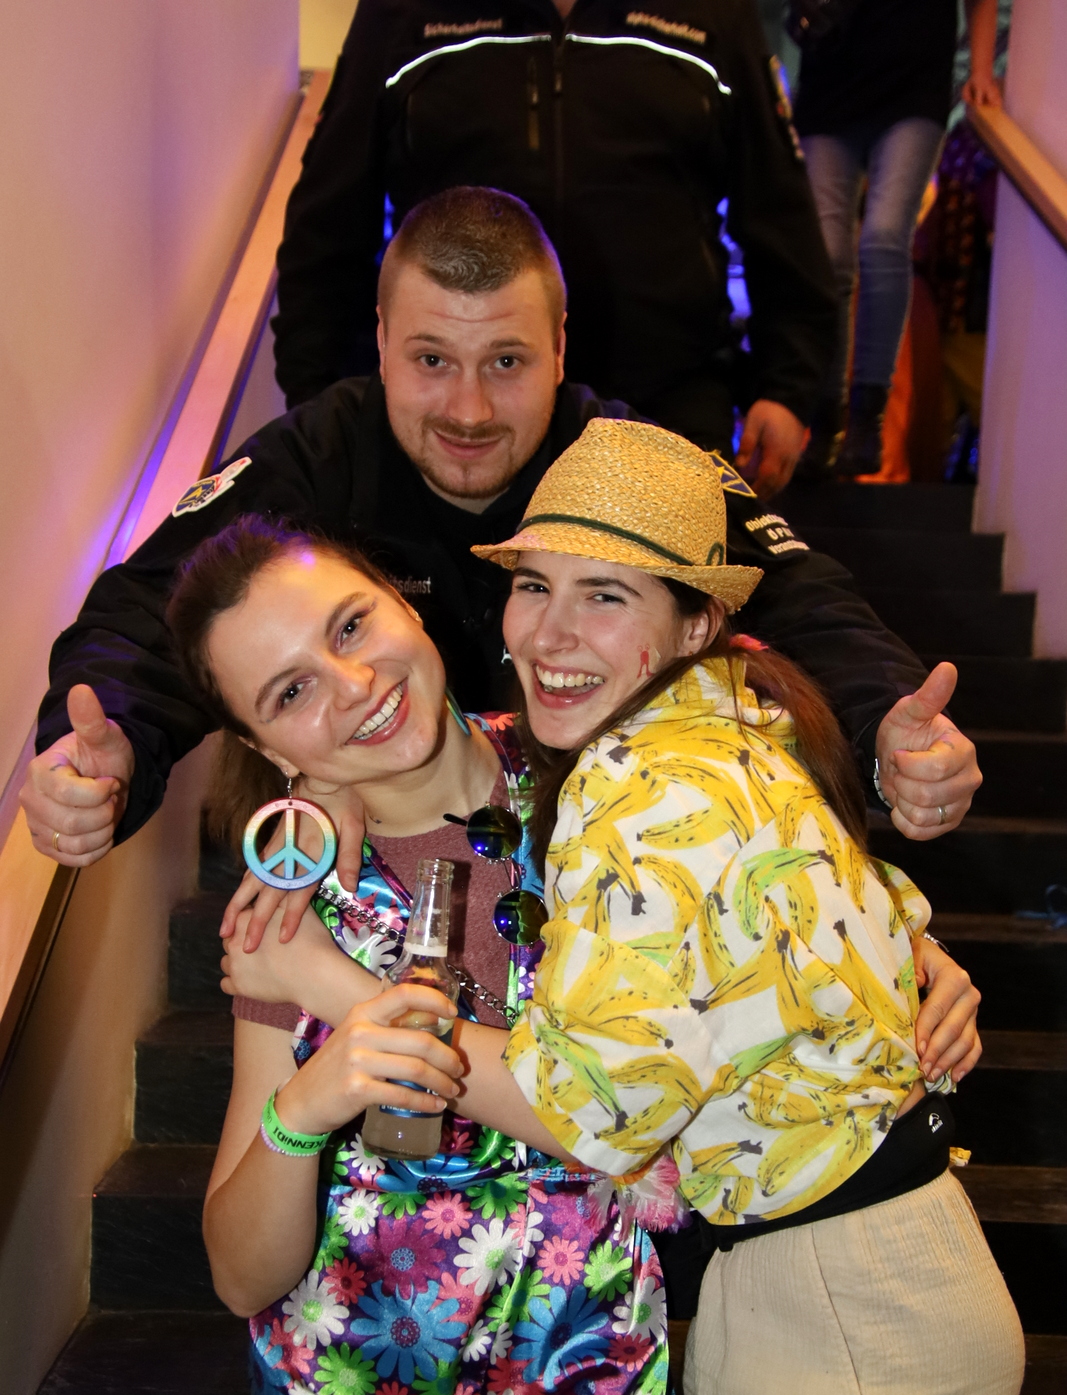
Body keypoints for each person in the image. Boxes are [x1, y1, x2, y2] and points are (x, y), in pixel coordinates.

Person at [22, 188, 981, 911]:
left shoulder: (631, 461)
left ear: (560, 346)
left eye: (507, 362)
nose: (470, 409)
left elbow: (798, 596)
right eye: (432, 360)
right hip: (384, 864)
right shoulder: (311, 457)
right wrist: (104, 753)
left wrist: (886, 732)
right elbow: (152, 609)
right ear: (381, 340)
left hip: (609, 862)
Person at [461, 416, 1022, 1395]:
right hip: (862, 1278)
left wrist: (352, 1008)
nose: (548, 633)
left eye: (604, 595)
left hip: (837, 1306)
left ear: (694, 624)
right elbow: (879, 937)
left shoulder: (642, 784)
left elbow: (595, 1111)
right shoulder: (738, 731)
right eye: (532, 584)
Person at [168, 516, 684, 1395]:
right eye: (291, 692)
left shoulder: (605, 789)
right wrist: (304, 1107)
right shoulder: (289, 904)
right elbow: (240, 1273)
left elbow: (621, 1107)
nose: (353, 685)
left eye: (352, 626)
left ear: (407, 600)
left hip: (585, 1368)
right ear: (270, 751)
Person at [271, 0, 839, 493]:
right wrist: (318, 403)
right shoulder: (400, 13)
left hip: (666, 411)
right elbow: (327, 225)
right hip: (460, 420)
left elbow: (778, 210)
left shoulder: (715, 12)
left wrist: (787, 388)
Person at [792, 0, 1003, 478]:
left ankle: (867, 420)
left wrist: (982, 72)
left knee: (884, 239)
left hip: (913, 85)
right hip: (831, 80)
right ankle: (826, 420)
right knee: (827, 256)